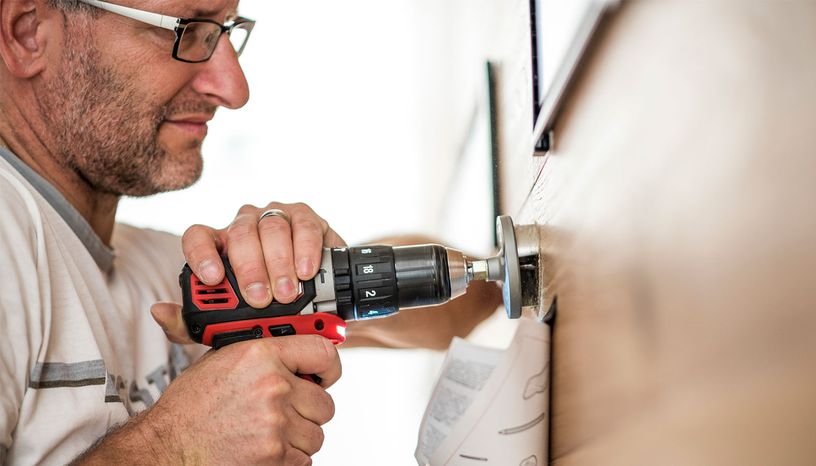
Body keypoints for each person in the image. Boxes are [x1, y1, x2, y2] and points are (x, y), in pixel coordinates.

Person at [0, 0, 499, 464]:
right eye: (187, 30)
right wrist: (171, 448)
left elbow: (465, 308)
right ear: (28, 33)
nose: (234, 90)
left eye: (226, 32)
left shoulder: (158, 269)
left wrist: (334, 275)